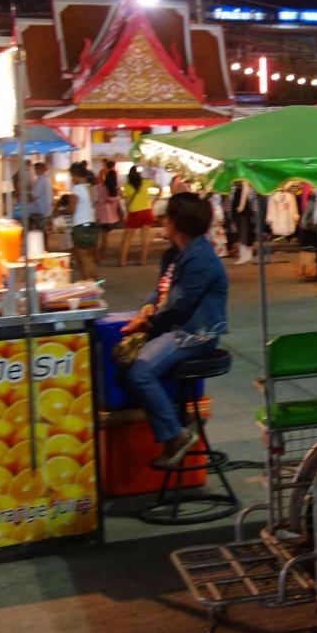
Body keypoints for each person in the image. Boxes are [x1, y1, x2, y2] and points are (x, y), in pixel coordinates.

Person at [119, 193, 228, 466]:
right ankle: (181, 417)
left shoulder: (200, 258)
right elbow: (161, 291)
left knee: (141, 372)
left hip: (196, 334)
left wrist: (146, 323)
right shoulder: (174, 255)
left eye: (167, 217)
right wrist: (147, 307)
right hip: (176, 328)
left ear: (177, 222)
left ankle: (175, 435)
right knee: (121, 361)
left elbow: (178, 305)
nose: (163, 221)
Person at [67, 161, 98, 280]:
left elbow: (71, 209)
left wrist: (66, 207)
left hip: (80, 225)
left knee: (83, 259)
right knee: (90, 258)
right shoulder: (90, 187)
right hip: (91, 224)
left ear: (75, 175)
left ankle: (88, 283)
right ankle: (93, 283)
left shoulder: (77, 188)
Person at [119, 165, 155, 266]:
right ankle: (143, 261)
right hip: (147, 211)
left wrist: (127, 214)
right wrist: (154, 201)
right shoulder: (145, 182)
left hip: (134, 213)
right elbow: (159, 187)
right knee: (145, 238)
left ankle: (123, 261)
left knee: (127, 239)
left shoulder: (127, 186)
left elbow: (127, 203)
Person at [93, 159, 122, 264]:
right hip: (109, 217)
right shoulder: (115, 190)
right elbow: (116, 201)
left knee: (95, 238)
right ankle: (101, 256)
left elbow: (94, 199)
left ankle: (96, 256)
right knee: (105, 238)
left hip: (98, 215)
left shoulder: (99, 187)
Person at [29, 161, 53, 234]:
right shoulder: (43, 179)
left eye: (36, 169)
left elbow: (34, 195)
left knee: (41, 231)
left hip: (41, 210)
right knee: (43, 231)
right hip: (43, 209)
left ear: (41, 169)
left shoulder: (42, 180)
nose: (35, 171)